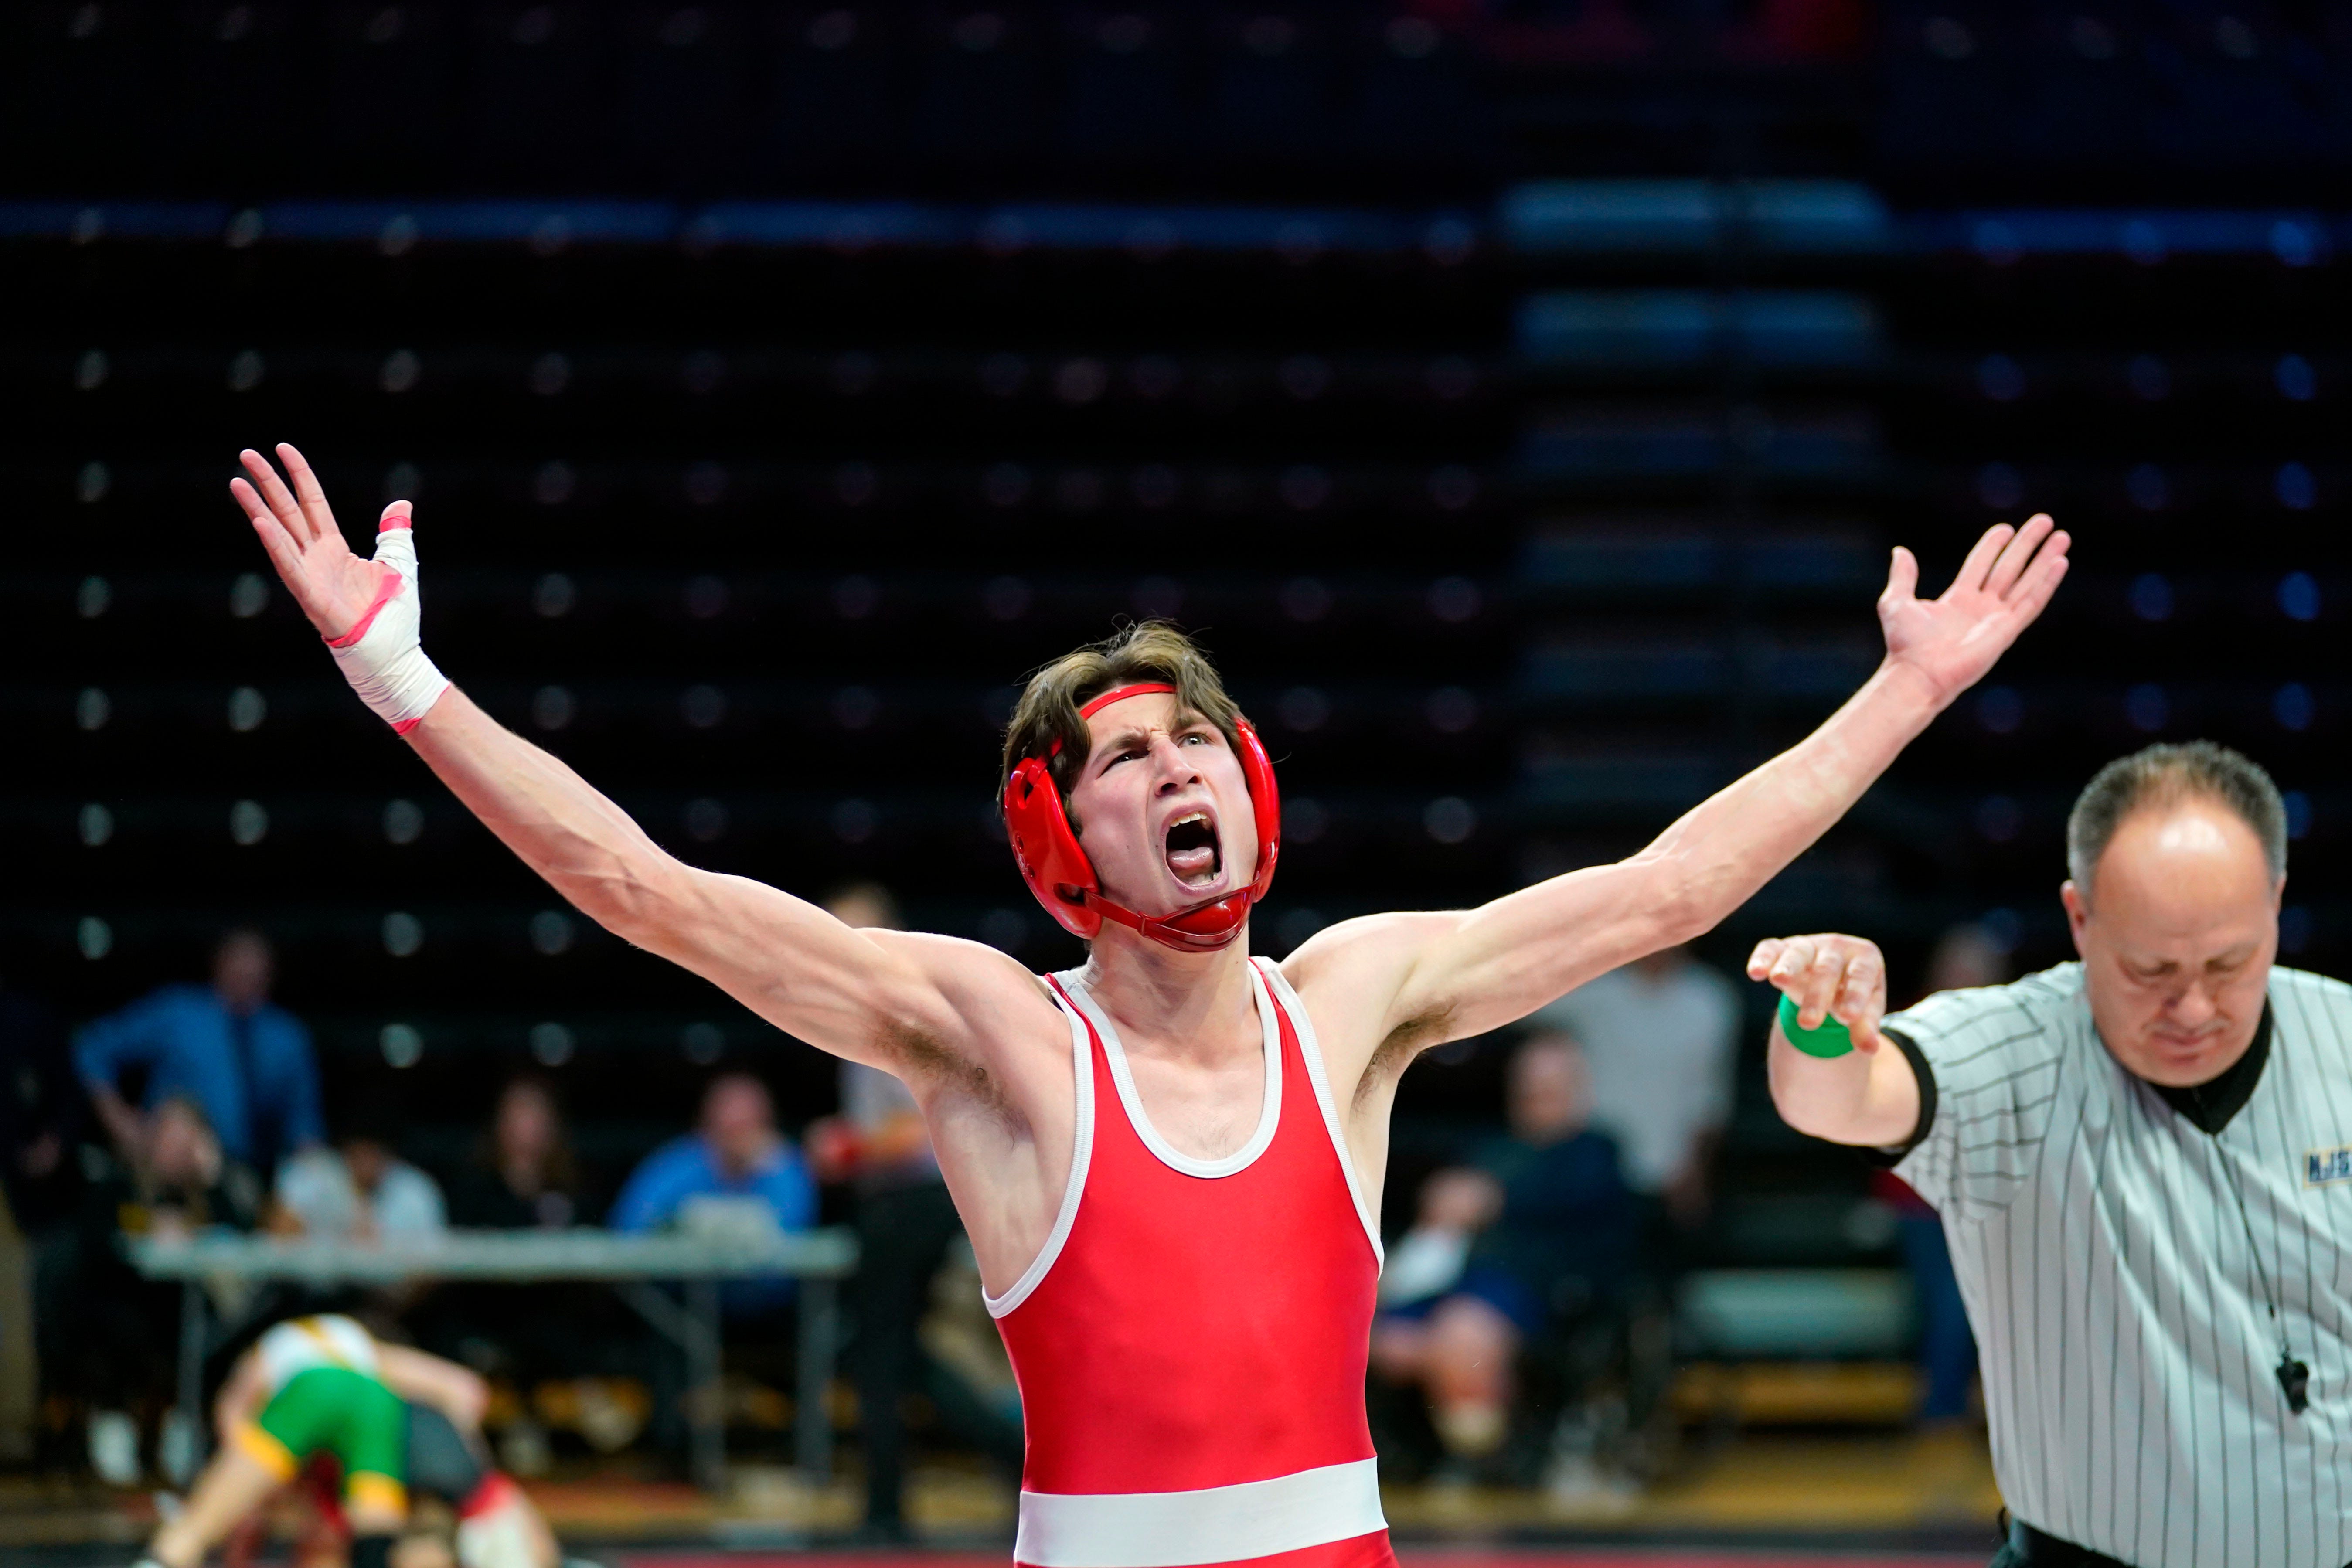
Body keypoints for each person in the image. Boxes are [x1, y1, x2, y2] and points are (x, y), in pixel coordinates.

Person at [230, 442, 2064, 1568]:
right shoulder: (1001, 1033)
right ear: (1055, 825)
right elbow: (646, 889)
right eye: (1131, 754)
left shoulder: (1354, 998)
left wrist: (1902, 696)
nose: (1181, 766)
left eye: (1202, 737)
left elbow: (1667, 888)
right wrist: (400, 674)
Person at [1753, 741, 2352, 1568]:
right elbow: (1835, 1099)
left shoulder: (2344, 1038)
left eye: (2230, 961)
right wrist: (1820, 1022)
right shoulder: (2009, 1050)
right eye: (2151, 969)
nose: (2194, 1006)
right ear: (2079, 917)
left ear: (2277, 902)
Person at [806, 883, 1025, 1540]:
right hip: (915, 1203)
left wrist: (847, 1145)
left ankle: (887, 1505)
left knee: (895, 1358)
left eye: (859, 934)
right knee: (907, 1358)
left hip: (917, 1204)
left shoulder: (899, 1016)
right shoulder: (865, 1014)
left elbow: (916, 1129)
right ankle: (889, 1500)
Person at [1371, 1031, 1632, 1471]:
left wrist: (1492, 1199)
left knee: (1462, 1336)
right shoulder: (1491, 1147)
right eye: (1529, 1084)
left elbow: (1580, 1212)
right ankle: (1456, 1441)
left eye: (1551, 1085)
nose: (1537, 1095)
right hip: (1456, 1283)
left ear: (1577, 1087)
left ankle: (1484, 1458)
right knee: (1384, 1339)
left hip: (1543, 1292)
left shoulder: (1596, 1151)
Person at [136, 1313, 558, 1568]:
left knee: (198, 1527)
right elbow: (467, 1391)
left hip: (310, 1394)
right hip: (377, 1409)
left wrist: (240, 1502)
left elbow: (237, 1428)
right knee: (377, 1537)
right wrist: (466, 1457)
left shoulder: (272, 1358)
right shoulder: (364, 1355)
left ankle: (167, 1556)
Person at [1871, 922, 2010, 1430]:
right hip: (1918, 1198)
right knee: (1947, 1305)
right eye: (1959, 967)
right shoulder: (1906, 1028)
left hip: (1989, 1197)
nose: (1967, 978)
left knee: (1976, 1308)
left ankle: (1969, 1410)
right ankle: (1942, 1411)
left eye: (1978, 970)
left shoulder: (2011, 1033)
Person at [75, 929, 324, 1176]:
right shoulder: (178, 1013)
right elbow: (93, 1050)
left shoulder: (287, 1037)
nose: (249, 971)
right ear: (219, 963)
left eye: (257, 963)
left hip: (246, 1175)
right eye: (239, 959)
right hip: (166, 1168)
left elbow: (304, 1125)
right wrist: (121, 1121)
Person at [1534, 945, 1739, 1231]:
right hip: (1589, 1162)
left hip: (1667, 1168)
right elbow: (1523, 1012)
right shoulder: (1594, 990)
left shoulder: (1708, 998)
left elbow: (1709, 1095)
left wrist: (1695, 1169)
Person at [608, 1072, 816, 1316]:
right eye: (731, 1123)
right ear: (708, 1122)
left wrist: (775, 1166)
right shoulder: (682, 1163)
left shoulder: (782, 1164)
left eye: (751, 1122)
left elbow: (797, 1227)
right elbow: (630, 1225)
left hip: (770, 1308)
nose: (741, 1132)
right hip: (683, 1305)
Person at [277, 1122, 448, 1243]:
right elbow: (281, 1231)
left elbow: (430, 1268)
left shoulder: (416, 1190)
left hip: (389, 1290)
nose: (365, 1163)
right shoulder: (316, 1172)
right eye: (358, 1153)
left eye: (373, 1154)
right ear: (346, 1152)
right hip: (320, 1289)